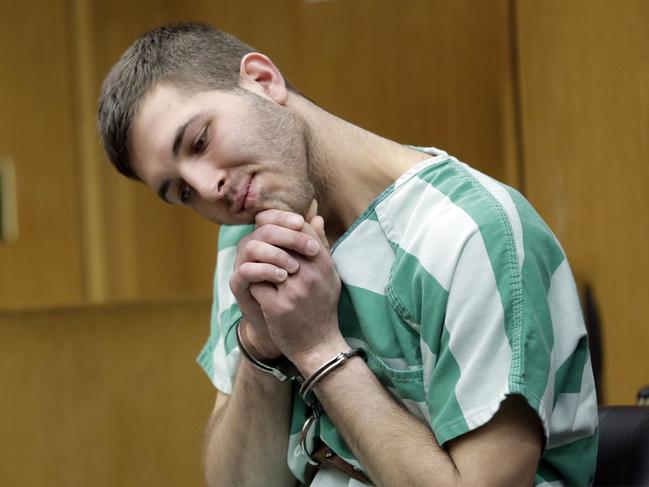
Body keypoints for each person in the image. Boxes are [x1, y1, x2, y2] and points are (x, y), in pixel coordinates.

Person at [98, 22, 598, 487]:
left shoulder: (468, 234)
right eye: (181, 193)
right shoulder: (247, 239)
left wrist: (316, 348)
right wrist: (261, 345)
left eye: (201, 141)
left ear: (262, 79)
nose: (209, 188)